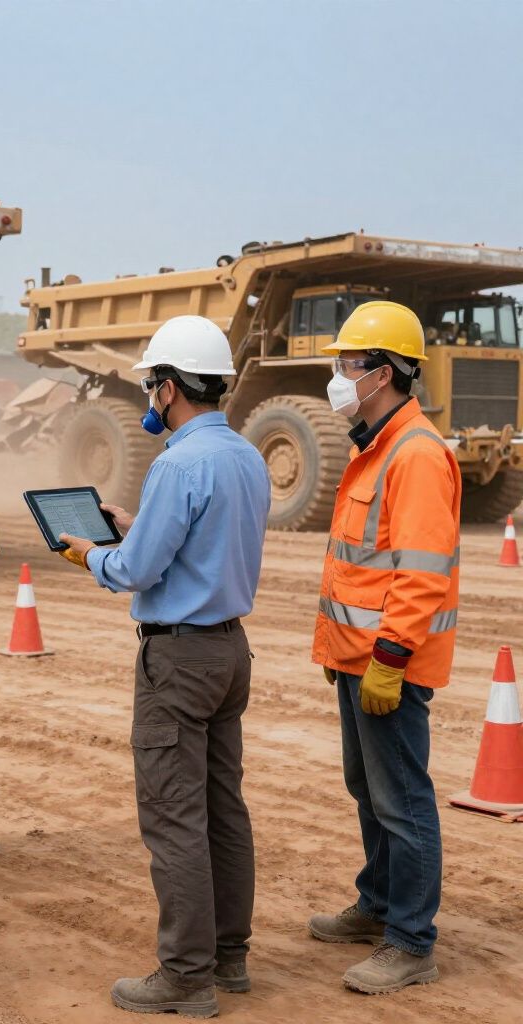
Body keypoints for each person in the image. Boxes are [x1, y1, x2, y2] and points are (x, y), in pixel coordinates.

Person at [59, 315, 271, 1018]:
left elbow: (135, 570)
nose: (150, 396)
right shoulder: (243, 455)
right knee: (221, 808)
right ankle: (229, 957)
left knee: (174, 815)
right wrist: (135, 521)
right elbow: (191, 540)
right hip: (228, 650)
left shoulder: (179, 462)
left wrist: (88, 553)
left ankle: (185, 976)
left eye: (152, 385)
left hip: (178, 657)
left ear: (170, 387)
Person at [309, 301, 460, 994]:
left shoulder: (417, 453)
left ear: (387, 372)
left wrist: (389, 661)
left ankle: (410, 940)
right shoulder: (378, 443)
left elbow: (421, 572)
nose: (338, 376)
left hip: (387, 664)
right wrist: (346, 654)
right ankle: (377, 904)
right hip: (359, 658)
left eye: (348, 363)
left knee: (402, 799)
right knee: (368, 789)